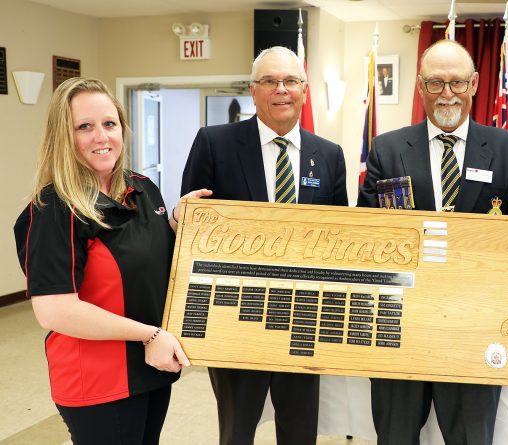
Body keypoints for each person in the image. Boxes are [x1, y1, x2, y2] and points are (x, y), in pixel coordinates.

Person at [358, 39, 508, 445]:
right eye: (435, 84)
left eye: (456, 83)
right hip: (399, 327)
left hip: (475, 328)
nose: (447, 94)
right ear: (420, 87)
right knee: (394, 437)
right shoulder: (386, 149)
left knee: (471, 438)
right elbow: (368, 238)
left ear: (474, 84)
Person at [12, 77, 211, 444]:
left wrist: (175, 220)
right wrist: (150, 334)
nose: (101, 137)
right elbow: (55, 310)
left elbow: (145, 255)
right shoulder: (54, 209)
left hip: (151, 366)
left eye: (109, 124)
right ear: (63, 137)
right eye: (84, 126)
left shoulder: (142, 186)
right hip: (99, 379)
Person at [180, 46, 348, 445]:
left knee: (299, 429)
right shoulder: (214, 143)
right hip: (235, 315)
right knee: (237, 429)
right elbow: (192, 227)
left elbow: (341, 238)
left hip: (305, 317)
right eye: (269, 81)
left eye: (290, 81)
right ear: (253, 92)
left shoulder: (330, 156)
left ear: (304, 90)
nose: (281, 90)